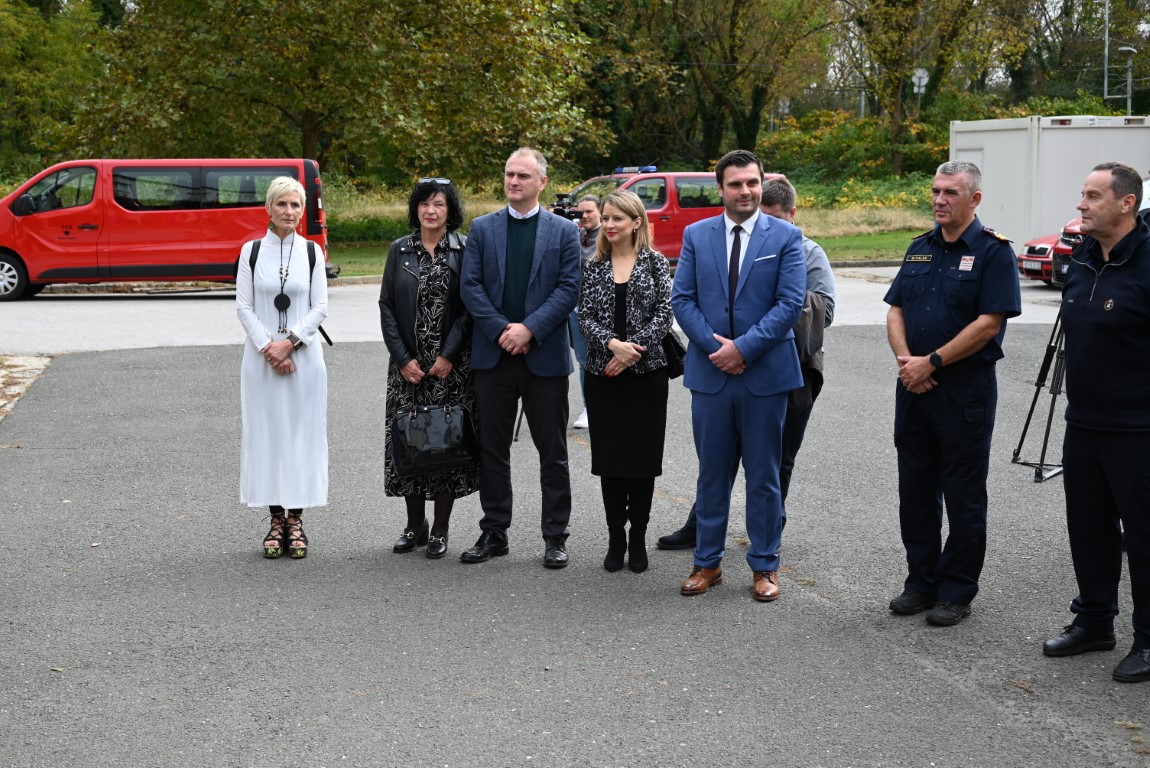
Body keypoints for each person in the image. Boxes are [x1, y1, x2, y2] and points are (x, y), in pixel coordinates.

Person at [658, 176, 836, 550]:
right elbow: (686, 299)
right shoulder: (706, 238)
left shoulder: (804, 250)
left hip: (785, 367)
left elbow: (821, 310)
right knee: (716, 463)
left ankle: (768, 538)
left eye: (775, 218)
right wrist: (723, 347)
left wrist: (749, 342)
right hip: (720, 364)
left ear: (791, 214)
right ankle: (702, 536)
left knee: (774, 462)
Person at [884, 160, 1021, 626]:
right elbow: (895, 309)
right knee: (915, 491)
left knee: (963, 494)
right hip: (914, 387)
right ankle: (921, 583)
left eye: (951, 193)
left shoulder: (993, 252)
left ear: (975, 199)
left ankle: (956, 590)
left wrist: (933, 361)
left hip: (964, 391)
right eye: (936, 191)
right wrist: (908, 362)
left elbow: (989, 323)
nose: (939, 200)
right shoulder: (919, 247)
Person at [670, 149, 806, 601]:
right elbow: (682, 299)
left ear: (761, 184)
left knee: (764, 475)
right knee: (712, 474)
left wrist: (743, 348)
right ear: (720, 189)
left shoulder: (786, 236)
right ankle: (707, 563)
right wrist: (717, 350)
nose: (745, 191)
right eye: (735, 184)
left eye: (752, 183)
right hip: (711, 374)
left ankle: (765, 565)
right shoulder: (696, 234)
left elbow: (790, 303)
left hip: (765, 375)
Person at [1042, 162, 1150, 683]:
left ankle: (1149, 639)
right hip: (1083, 421)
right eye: (1082, 194)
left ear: (1126, 203)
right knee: (1088, 528)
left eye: (1092, 196)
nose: (1080, 205)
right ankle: (1094, 621)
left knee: (1145, 538)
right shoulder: (1084, 258)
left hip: (1139, 428)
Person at [458, 147, 581, 568]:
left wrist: (529, 329)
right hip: (493, 358)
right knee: (492, 450)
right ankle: (495, 531)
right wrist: (502, 330)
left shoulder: (563, 231)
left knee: (553, 452)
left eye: (523, 176)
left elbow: (568, 288)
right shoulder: (483, 228)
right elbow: (471, 286)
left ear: (542, 182)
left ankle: (555, 535)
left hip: (544, 358)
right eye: (509, 174)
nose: (514, 181)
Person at [378, 178, 478, 560]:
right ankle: (414, 525)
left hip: (450, 368)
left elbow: (470, 308)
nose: (430, 211)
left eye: (438, 204)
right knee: (411, 441)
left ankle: (440, 529)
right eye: (424, 204)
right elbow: (387, 306)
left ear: (450, 210)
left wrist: (448, 355)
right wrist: (403, 359)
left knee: (446, 442)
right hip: (408, 369)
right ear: (415, 209)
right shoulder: (399, 250)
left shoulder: (464, 249)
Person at [579, 189, 673, 573]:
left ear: (637, 222)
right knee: (612, 461)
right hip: (603, 375)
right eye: (606, 217)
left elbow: (665, 314)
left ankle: (638, 539)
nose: (609, 224)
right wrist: (612, 345)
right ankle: (616, 537)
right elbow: (584, 317)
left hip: (647, 376)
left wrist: (632, 351)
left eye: (617, 218)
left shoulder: (655, 262)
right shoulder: (593, 266)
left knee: (642, 462)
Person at [237, 176, 329, 559]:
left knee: (301, 437)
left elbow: (320, 307)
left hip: (304, 358)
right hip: (261, 362)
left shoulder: (312, 252)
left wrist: (288, 343)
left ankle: (296, 519)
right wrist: (269, 348)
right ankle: (276, 518)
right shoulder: (251, 251)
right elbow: (243, 306)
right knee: (269, 436)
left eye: (295, 205)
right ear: (269, 208)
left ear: (302, 211)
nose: (289, 211)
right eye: (282, 204)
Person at [569, 194, 601, 429]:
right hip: (577, 308)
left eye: (590, 211)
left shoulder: (608, 235)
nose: (585, 216)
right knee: (584, 361)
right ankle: (589, 407)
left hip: (602, 309)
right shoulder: (574, 234)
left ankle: (609, 404)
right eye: (581, 212)